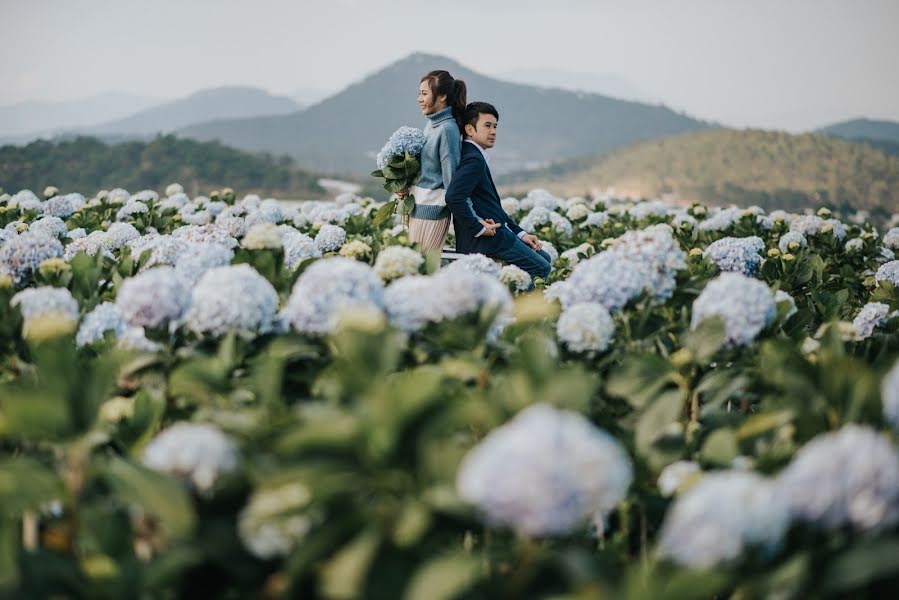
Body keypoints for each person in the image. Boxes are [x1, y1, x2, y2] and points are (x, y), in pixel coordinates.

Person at [444, 101, 552, 286]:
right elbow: (454, 197)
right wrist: (478, 228)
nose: (493, 131)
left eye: (495, 126)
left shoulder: (476, 156)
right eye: (487, 126)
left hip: (499, 234)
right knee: (541, 268)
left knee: (544, 257)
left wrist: (521, 234)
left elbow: (492, 208)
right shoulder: (473, 160)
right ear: (469, 130)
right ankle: (516, 310)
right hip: (487, 240)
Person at [396, 70, 466, 255]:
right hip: (418, 208)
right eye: (419, 93)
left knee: (425, 269)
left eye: (424, 93)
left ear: (442, 96)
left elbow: (452, 180)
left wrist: (470, 220)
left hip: (433, 213)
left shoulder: (447, 129)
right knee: (415, 268)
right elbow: (426, 170)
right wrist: (405, 185)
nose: (420, 99)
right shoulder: (431, 124)